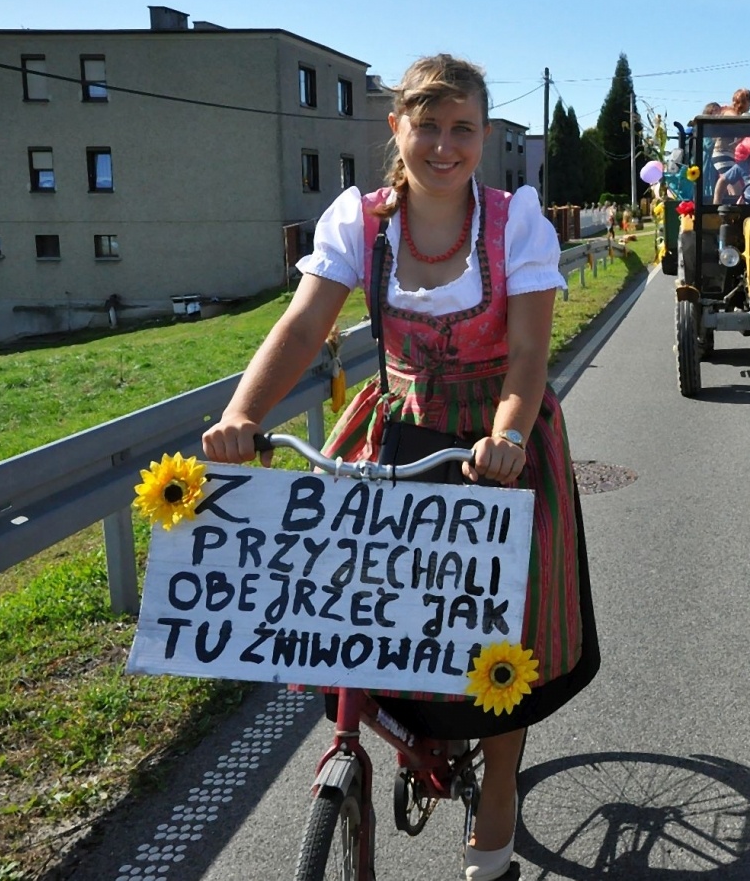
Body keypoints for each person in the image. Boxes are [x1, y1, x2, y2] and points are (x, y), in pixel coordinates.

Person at [200, 54, 599, 881]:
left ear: (483, 136)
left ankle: (498, 784)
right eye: (428, 126)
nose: (444, 146)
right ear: (398, 129)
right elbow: (304, 326)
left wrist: (511, 435)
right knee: (365, 605)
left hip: (494, 438)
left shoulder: (515, 222)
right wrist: (244, 414)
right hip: (400, 423)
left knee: (501, 627)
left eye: (462, 129)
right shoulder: (363, 222)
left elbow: (527, 352)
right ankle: (388, 736)